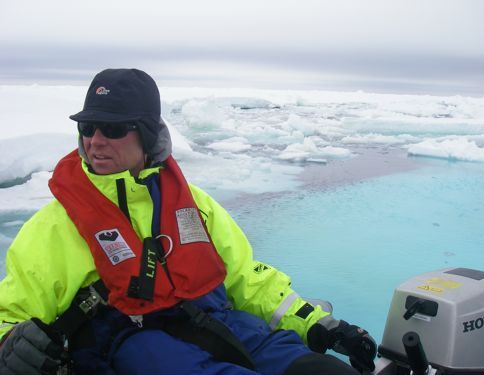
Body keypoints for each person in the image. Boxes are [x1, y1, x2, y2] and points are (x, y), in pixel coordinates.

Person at [0, 68, 376, 375]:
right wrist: (9, 344)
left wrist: (316, 324)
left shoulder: (195, 205)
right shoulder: (56, 225)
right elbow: (10, 312)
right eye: (88, 128)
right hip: (133, 347)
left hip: (220, 323)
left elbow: (247, 279)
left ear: (147, 133)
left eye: (113, 129)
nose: (96, 140)